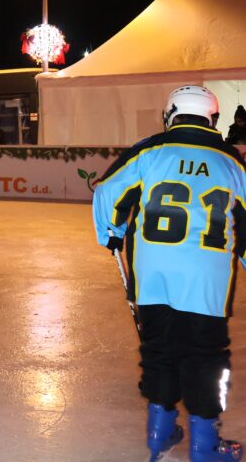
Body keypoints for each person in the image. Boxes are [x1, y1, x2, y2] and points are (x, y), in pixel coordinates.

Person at [93, 85, 246, 462]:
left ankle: (159, 434)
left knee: (158, 349)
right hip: (205, 280)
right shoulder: (233, 163)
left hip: (153, 273)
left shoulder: (149, 151)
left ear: (171, 115)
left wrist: (111, 232)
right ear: (212, 119)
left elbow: (108, 192)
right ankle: (205, 446)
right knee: (205, 356)